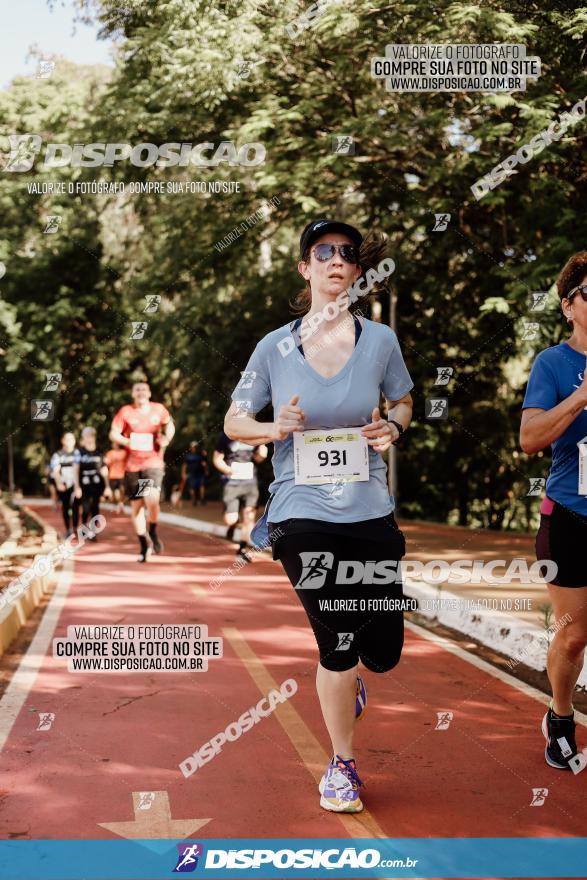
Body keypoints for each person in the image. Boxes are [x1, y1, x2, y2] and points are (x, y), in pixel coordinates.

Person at [223, 218, 413, 811]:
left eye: (347, 253)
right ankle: (342, 765)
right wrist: (271, 426)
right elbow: (233, 421)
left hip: (369, 510)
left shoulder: (380, 341)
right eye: (323, 251)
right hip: (300, 510)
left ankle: (350, 680)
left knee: (380, 651)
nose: (336, 260)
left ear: (358, 271)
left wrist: (394, 425)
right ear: (305, 269)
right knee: (336, 636)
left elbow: (404, 400)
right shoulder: (272, 347)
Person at [520, 250, 587, 771]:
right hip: (569, 515)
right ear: (569, 306)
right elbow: (529, 438)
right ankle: (560, 717)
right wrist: (581, 398)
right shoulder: (553, 363)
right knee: (575, 633)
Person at [110, 381, 175, 562]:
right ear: (133, 393)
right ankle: (143, 544)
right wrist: (127, 442)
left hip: (152, 463)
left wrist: (167, 438)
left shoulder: (158, 409)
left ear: (149, 393)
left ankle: (152, 530)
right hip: (133, 466)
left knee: (152, 500)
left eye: (144, 389)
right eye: (137, 389)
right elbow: (113, 433)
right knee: (137, 508)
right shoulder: (126, 412)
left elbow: (170, 425)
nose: (141, 392)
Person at [213, 431, 267, 560]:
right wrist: (228, 470)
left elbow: (258, 459)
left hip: (250, 482)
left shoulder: (253, 434)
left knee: (249, 518)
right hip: (232, 483)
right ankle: (233, 524)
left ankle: (242, 548)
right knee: (230, 519)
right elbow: (217, 459)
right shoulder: (225, 436)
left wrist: (262, 454)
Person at [73, 427, 111, 539]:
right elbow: (75, 470)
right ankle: (84, 527)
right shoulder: (79, 452)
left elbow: (104, 470)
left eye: (90, 436)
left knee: (95, 508)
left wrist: (107, 486)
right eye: (86, 436)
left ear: (94, 437)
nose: (88, 438)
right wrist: (77, 487)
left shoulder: (99, 452)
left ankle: (93, 531)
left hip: (97, 485)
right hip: (84, 485)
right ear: (83, 438)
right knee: (85, 508)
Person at [50, 431, 81, 537]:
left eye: (72, 439)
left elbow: (77, 469)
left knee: (76, 506)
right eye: (67, 439)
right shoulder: (58, 455)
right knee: (66, 506)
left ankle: (75, 528)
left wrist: (77, 486)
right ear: (62, 441)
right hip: (63, 485)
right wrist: (59, 483)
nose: (70, 441)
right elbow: (55, 470)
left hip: (75, 484)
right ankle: (68, 529)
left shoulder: (77, 453)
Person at [181, 441, 209, 505]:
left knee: (202, 486)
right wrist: (183, 473)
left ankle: (202, 499)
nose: (194, 448)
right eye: (192, 447)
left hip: (200, 473)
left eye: (195, 447)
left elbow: (204, 463)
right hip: (192, 474)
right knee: (192, 487)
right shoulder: (187, 455)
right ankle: (194, 500)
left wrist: (206, 470)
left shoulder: (200, 454)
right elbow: (184, 465)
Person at [104, 442, 127, 513]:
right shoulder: (110, 453)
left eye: (116, 444)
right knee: (113, 494)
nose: (115, 445)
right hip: (112, 475)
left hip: (121, 475)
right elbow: (106, 463)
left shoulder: (124, 452)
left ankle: (121, 504)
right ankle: (114, 506)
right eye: (113, 444)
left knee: (122, 490)